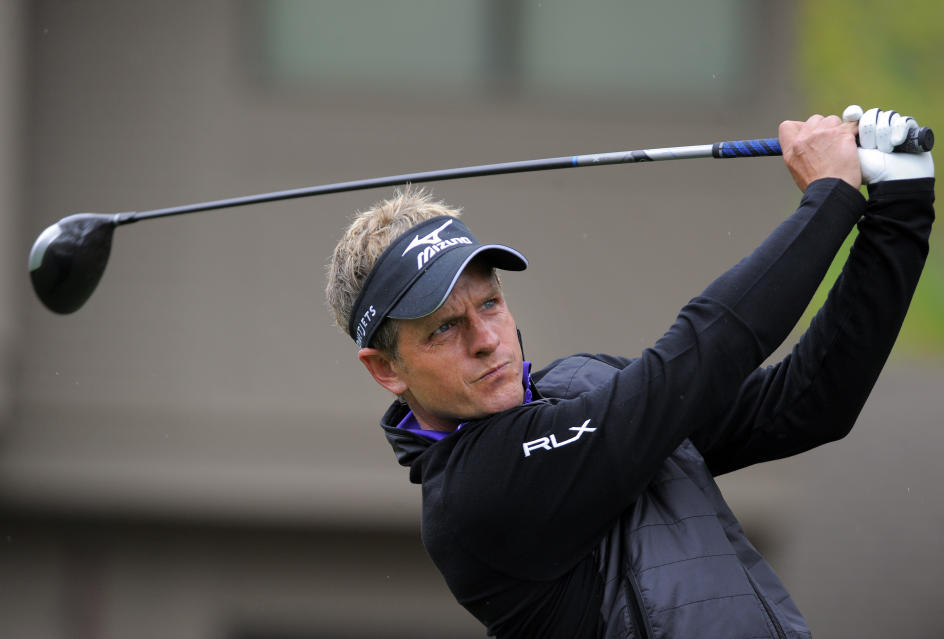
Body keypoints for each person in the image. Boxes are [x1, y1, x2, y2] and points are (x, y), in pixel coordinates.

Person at [324, 107, 935, 638]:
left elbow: (808, 403)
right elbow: (694, 359)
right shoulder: (472, 493)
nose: (487, 340)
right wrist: (829, 196)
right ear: (386, 370)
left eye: (490, 304)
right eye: (444, 328)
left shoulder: (582, 386)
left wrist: (899, 212)